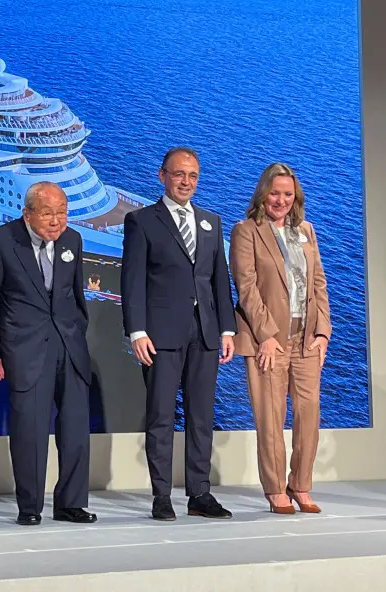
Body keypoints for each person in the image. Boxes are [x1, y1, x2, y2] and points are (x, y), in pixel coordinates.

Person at [121, 147, 236, 521]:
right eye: (179, 174)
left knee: (202, 416)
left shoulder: (211, 222)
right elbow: (132, 281)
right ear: (162, 176)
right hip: (161, 334)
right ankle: (161, 495)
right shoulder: (142, 221)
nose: (186, 182)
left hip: (205, 334)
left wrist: (227, 329)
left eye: (192, 176)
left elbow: (220, 279)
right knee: (161, 416)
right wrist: (136, 331)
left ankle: (199, 494)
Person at [0, 182, 96, 527]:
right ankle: (30, 505)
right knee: (29, 431)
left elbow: (76, 297)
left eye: (62, 212)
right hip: (24, 348)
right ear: (27, 213)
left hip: (70, 347)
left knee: (75, 429)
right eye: (48, 213)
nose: (57, 221)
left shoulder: (72, 240)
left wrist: (76, 333)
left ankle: (71, 503)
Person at [229, 163, 331, 515]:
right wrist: (267, 336)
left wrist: (323, 332)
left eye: (288, 194)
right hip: (267, 340)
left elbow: (318, 283)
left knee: (309, 415)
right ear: (262, 193)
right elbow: (247, 289)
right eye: (275, 193)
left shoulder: (306, 230)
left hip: (306, 339)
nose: (281, 200)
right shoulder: (246, 231)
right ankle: (275, 490)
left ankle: (300, 485)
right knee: (270, 419)